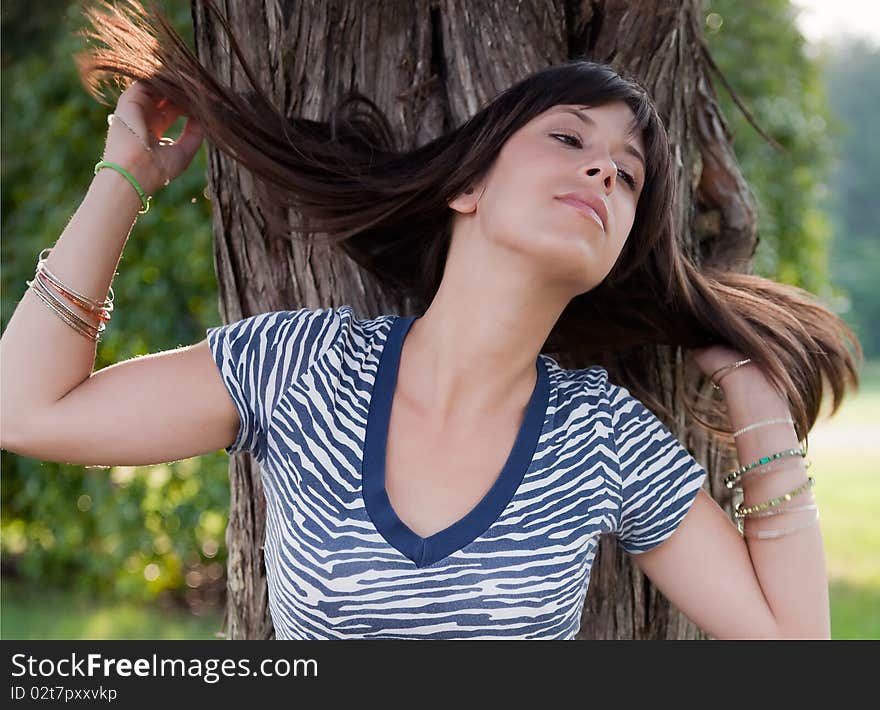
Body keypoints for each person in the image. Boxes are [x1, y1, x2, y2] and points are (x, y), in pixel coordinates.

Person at [0, 0, 861, 640]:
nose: (603, 171)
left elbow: (792, 652)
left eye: (629, 175)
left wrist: (752, 386)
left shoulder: (604, 437)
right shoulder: (304, 368)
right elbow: (26, 409)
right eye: (569, 139)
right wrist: (126, 178)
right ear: (467, 186)